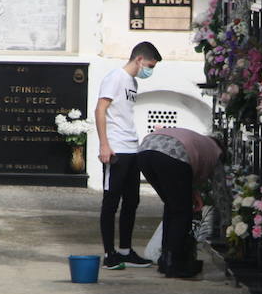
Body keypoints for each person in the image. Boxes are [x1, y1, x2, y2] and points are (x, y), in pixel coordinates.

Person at [95, 41, 162, 270]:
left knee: (132, 201)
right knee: (111, 201)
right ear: (139, 59)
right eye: (150, 66)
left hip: (132, 148)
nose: (150, 70)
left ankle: (125, 250)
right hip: (116, 148)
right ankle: (109, 254)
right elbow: (100, 109)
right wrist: (104, 145)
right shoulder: (115, 77)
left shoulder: (133, 82)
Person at [137, 127, 223, 279]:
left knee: (171, 206)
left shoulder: (201, 142)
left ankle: (165, 259)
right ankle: (175, 264)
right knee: (182, 213)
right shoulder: (217, 152)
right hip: (173, 153)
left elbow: (189, 169)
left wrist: (193, 192)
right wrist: (227, 220)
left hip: (145, 151)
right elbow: (220, 189)